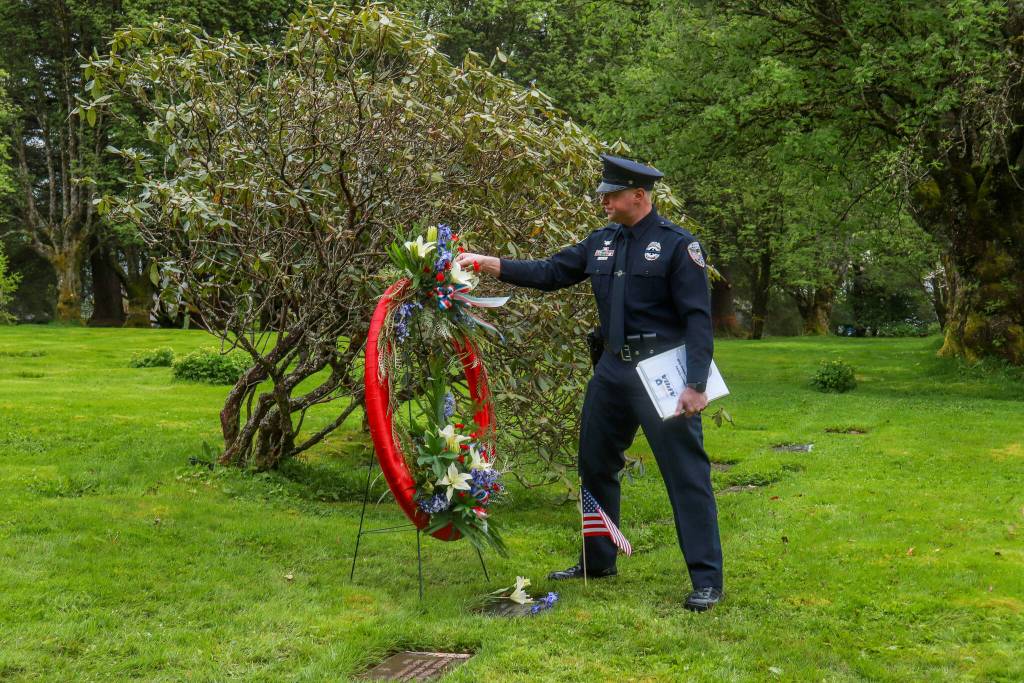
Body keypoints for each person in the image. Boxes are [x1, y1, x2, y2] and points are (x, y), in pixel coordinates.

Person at [454, 153, 724, 612]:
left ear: (639, 196)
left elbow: (698, 320)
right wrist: (486, 263)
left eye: (612, 195)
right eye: (604, 194)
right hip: (613, 372)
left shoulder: (678, 246)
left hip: (661, 376)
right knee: (595, 467)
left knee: (686, 476)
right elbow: (550, 272)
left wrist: (695, 385)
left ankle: (706, 580)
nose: (604, 202)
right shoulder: (601, 242)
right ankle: (597, 561)